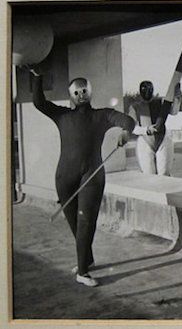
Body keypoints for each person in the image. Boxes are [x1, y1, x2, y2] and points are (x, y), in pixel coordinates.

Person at [30, 69, 135, 287]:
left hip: (92, 175)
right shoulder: (62, 115)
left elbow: (127, 120)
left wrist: (126, 132)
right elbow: (39, 103)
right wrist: (38, 76)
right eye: (76, 92)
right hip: (64, 178)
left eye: (84, 91)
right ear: (71, 95)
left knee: (86, 222)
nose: (80, 95)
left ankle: (83, 272)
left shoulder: (102, 115)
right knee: (75, 223)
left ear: (90, 93)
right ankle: (85, 259)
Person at [129, 80, 182, 175]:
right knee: (149, 174)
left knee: (164, 173)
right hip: (145, 142)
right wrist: (146, 130)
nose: (146, 92)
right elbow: (132, 127)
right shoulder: (135, 107)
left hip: (163, 139)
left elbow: (174, 111)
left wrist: (177, 98)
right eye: (144, 90)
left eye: (149, 89)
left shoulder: (161, 102)